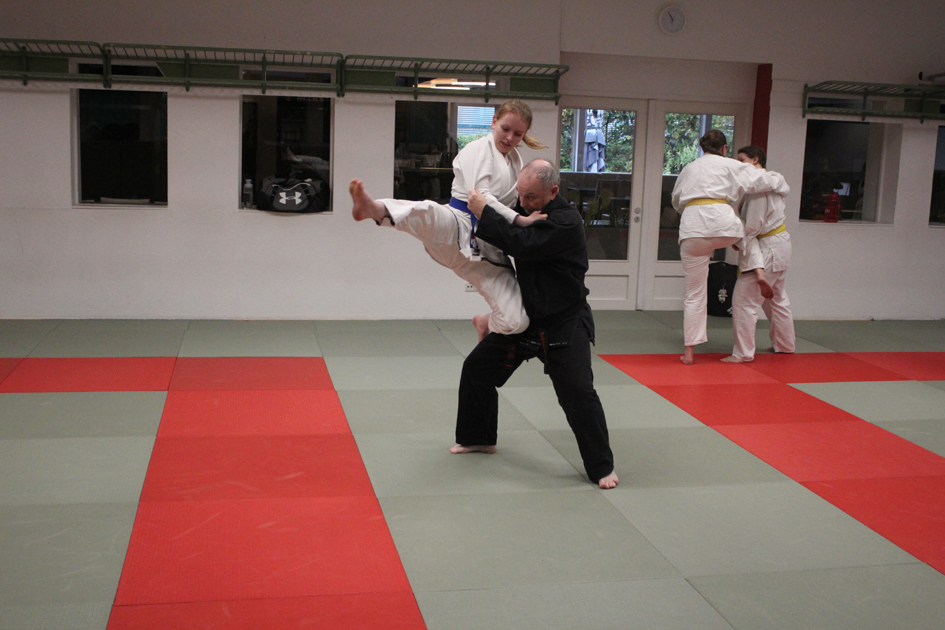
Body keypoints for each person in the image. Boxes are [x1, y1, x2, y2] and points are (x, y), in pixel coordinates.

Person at [453, 159, 619, 489]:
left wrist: (485, 212)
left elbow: (522, 244)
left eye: (530, 197)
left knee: (577, 392)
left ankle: (602, 467)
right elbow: (511, 225)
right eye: (521, 194)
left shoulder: (566, 221)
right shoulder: (525, 208)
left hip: (564, 320)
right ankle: (479, 438)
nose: (523, 202)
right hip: (527, 317)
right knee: (476, 369)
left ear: (553, 191)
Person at [349, 99, 546, 341]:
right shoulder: (478, 149)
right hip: (458, 223)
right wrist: (520, 220)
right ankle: (375, 209)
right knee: (428, 213)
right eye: (505, 129)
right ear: (494, 122)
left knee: (517, 321)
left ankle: (485, 321)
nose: (509, 137)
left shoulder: (515, 160)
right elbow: (481, 198)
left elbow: (513, 200)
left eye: (517, 134)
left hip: (488, 249)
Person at [671, 130, 788, 365]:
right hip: (724, 223)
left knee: (694, 294)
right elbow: (762, 180)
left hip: (693, 228)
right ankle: (758, 271)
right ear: (724, 148)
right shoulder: (731, 164)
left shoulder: (689, 168)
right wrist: (781, 184)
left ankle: (689, 352)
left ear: (702, 148)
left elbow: (676, 200)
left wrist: (694, 208)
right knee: (747, 236)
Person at [722, 145, 795, 363]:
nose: (739, 164)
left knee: (744, 300)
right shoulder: (772, 181)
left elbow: (753, 226)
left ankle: (743, 353)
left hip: (767, 248)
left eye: (742, 160)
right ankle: (785, 344)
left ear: (755, 160)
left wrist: (738, 240)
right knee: (776, 298)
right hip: (780, 245)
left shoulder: (758, 188)